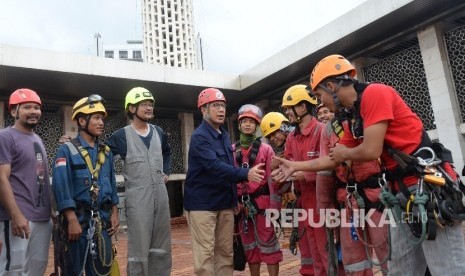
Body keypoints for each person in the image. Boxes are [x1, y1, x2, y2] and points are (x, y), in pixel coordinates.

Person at [273, 54, 465, 275]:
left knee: (446, 268)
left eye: (319, 95)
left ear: (331, 86)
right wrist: (295, 166)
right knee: (400, 269)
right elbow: (333, 158)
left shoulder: (375, 93)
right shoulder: (355, 117)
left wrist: (345, 152)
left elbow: (371, 150)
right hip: (401, 195)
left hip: (425, 190)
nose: (320, 102)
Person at [184, 88, 265, 276]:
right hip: (202, 206)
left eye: (223, 106)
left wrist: (233, 199)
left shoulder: (224, 135)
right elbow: (214, 167)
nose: (221, 110)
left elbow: (227, 166)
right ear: (203, 110)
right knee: (205, 256)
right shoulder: (199, 137)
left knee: (225, 254)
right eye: (215, 106)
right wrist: (246, 174)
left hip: (224, 204)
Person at [105, 87, 172, 276]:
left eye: (151, 104)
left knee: (162, 246)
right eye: (144, 104)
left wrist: (166, 171)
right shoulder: (121, 136)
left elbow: (167, 151)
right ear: (132, 109)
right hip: (137, 198)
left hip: (161, 195)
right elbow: (102, 158)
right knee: (139, 250)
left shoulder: (158, 132)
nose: (149, 108)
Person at [52, 95, 119, 275]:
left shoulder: (106, 152)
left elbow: (111, 183)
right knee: (74, 270)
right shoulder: (66, 150)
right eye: (96, 118)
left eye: (102, 119)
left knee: (102, 270)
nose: (101, 123)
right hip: (77, 226)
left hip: (103, 224)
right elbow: (61, 186)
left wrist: (115, 211)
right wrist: (71, 220)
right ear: (82, 120)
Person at [0, 88, 52, 274]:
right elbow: (1, 178)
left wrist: (51, 210)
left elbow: (41, 178)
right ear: (14, 111)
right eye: (27, 107)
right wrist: (15, 215)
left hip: (42, 218)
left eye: (37, 107)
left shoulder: (37, 138)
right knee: (13, 269)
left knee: (37, 268)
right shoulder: (5, 137)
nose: (34, 111)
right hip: (18, 218)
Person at [280, 84, 328, 276]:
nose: (286, 113)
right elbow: (289, 162)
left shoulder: (323, 131)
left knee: (326, 252)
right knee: (312, 253)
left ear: (301, 107)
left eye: (288, 108)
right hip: (303, 202)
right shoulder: (292, 136)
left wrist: (302, 174)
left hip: (322, 202)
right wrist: (281, 173)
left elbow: (332, 168)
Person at [260, 111, 316, 276]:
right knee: (306, 249)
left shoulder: (301, 143)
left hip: (314, 199)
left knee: (318, 248)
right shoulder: (281, 154)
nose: (272, 139)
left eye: (274, 133)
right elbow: (283, 187)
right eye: (269, 136)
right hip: (301, 203)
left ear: (283, 128)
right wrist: (276, 173)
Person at [233, 104, 282, 276]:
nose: (247, 125)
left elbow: (272, 179)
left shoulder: (266, 149)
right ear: (239, 125)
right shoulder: (233, 150)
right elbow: (230, 178)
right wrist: (233, 203)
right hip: (242, 208)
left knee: (268, 244)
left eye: (251, 122)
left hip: (263, 206)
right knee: (250, 247)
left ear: (256, 126)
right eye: (244, 121)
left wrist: (275, 208)